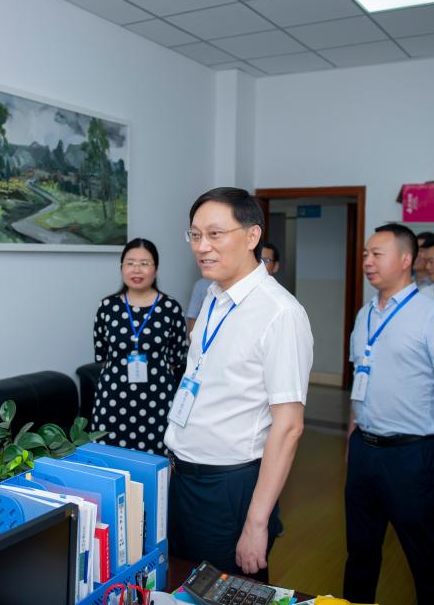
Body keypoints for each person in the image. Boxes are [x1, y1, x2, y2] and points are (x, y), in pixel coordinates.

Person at [165, 187, 313, 581]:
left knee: (227, 591)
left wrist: (256, 522)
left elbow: (289, 426)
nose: (202, 247)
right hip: (184, 475)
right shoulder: (213, 296)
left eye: (215, 234)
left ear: (252, 236)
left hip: (229, 486)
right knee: (180, 584)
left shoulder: (281, 314)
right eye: (195, 235)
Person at [344, 223, 434, 605]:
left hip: (412, 455)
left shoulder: (432, 315)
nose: (367, 261)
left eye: (377, 254)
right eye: (365, 254)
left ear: (405, 260)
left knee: (424, 558)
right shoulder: (364, 315)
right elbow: (361, 381)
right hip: (364, 449)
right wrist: (351, 439)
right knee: (359, 552)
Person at [92, 238, 187, 456]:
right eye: (130, 263)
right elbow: (102, 355)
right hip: (113, 397)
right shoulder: (107, 307)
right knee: (110, 458)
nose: (136, 269)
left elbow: (176, 359)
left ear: (156, 268)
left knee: (156, 460)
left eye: (144, 263)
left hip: (158, 398)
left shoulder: (170, 308)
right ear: (121, 267)